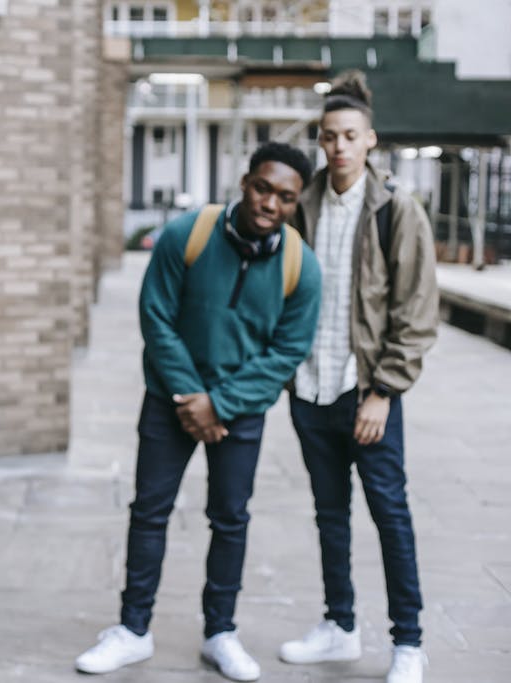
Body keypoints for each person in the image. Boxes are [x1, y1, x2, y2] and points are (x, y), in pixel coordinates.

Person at [75, 142, 321, 682]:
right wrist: (191, 397)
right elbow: (156, 316)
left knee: (230, 519)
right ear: (244, 181)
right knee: (150, 510)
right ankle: (133, 631)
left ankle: (221, 632)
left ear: (295, 203)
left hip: (241, 411)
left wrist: (221, 403)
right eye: (263, 188)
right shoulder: (190, 233)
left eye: (285, 197)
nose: (270, 204)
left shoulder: (302, 266)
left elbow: (287, 352)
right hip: (170, 401)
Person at [278, 71, 438, 683]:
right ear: (320, 142)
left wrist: (384, 392)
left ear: (370, 139)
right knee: (329, 515)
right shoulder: (303, 206)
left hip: (368, 394)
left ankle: (409, 641)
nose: (339, 146)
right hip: (312, 391)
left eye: (350, 135)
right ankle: (339, 626)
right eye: (328, 136)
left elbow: (415, 313)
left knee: (389, 514)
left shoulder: (398, 211)